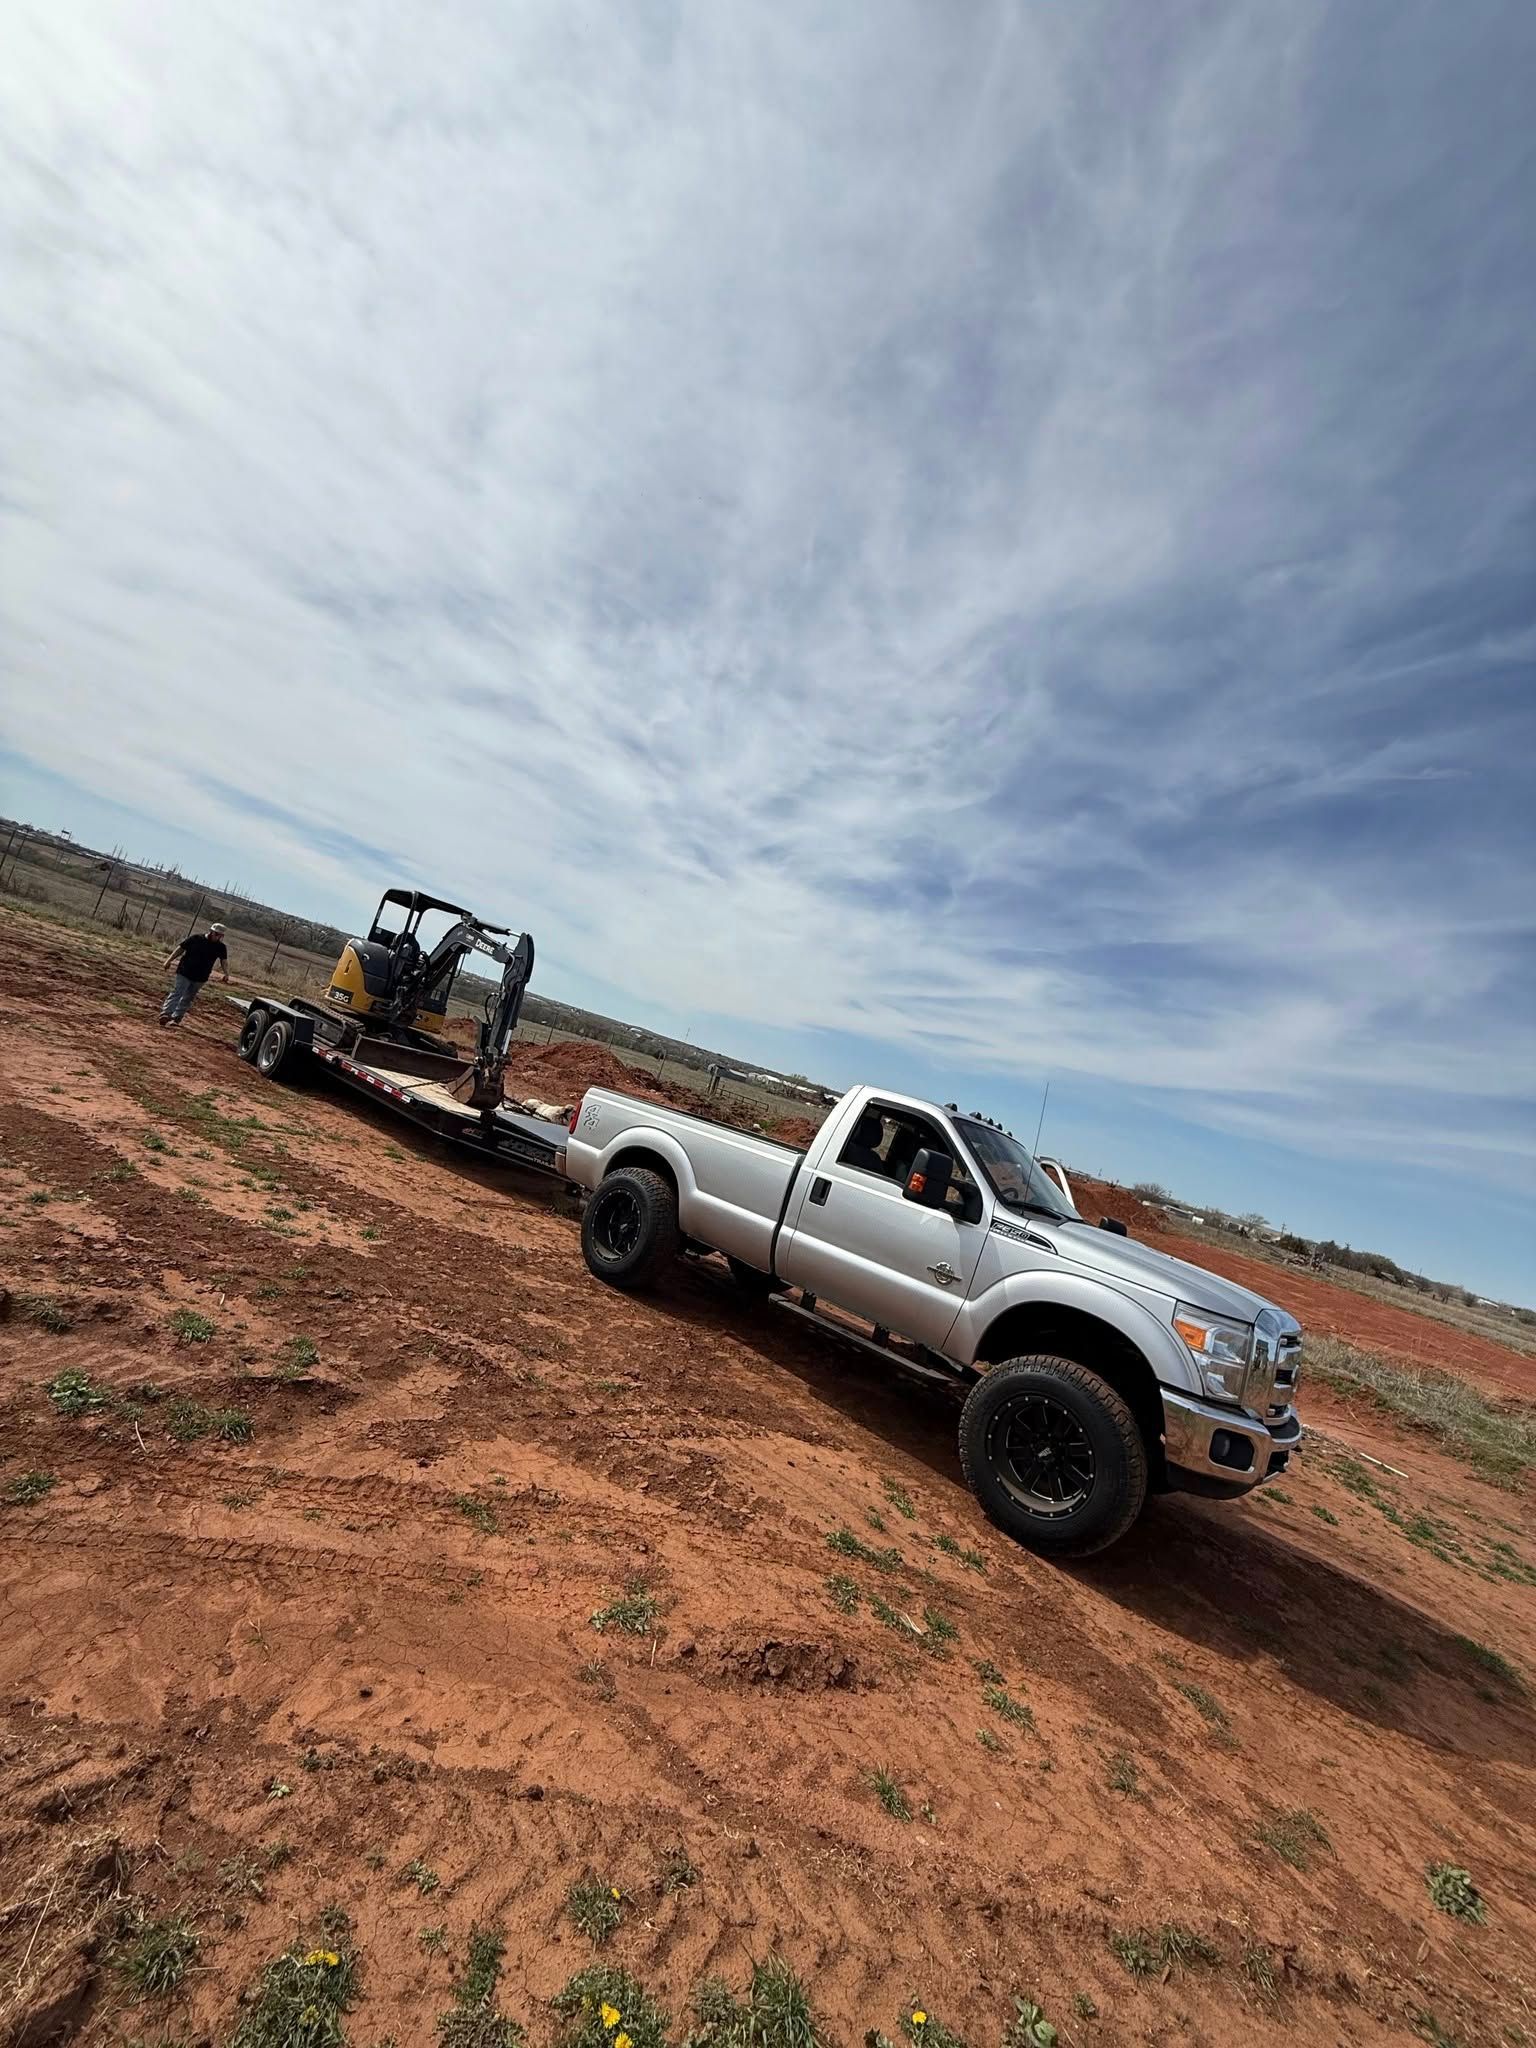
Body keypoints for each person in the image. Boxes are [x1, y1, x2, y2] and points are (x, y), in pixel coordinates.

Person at [159, 920, 229, 1027]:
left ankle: (176, 1019)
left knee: (188, 997)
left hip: (201, 977)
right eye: (215, 933)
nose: (217, 936)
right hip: (184, 971)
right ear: (210, 931)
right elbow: (180, 949)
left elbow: (223, 961)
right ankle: (166, 1014)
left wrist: (226, 973)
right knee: (178, 992)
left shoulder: (221, 947)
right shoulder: (196, 938)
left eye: (220, 935)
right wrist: (168, 960)